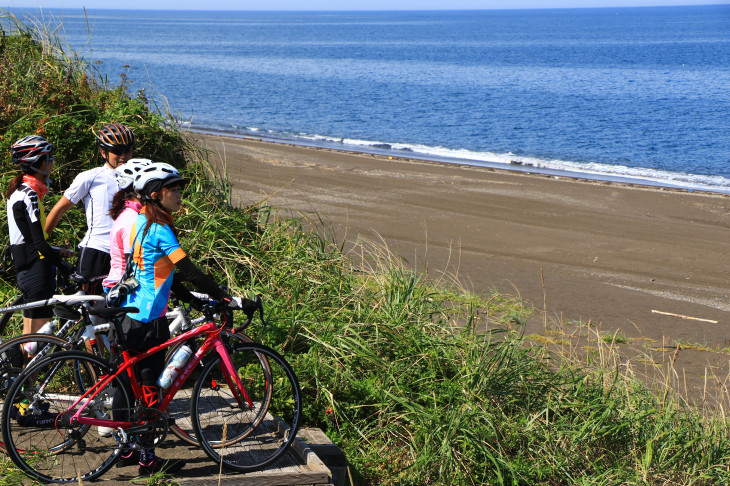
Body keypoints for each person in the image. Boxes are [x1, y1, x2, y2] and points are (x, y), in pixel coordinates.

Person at [114, 162, 255, 474]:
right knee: (151, 388)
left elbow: (166, 275)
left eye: (179, 188)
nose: (179, 193)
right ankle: (147, 460)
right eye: (173, 188)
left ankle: (124, 450)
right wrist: (224, 297)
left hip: (130, 313)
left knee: (129, 385)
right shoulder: (161, 230)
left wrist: (193, 300)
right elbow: (188, 270)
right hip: (149, 318)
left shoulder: (140, 221)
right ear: (155, 194)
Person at [45, 123, 135, 294]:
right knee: (87, 309)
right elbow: (60, 208)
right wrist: (41, 245)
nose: (123, 155)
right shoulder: (91, 177)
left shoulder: (138, 179)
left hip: (126, 253)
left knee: (120, 310)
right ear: (103, 152)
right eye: (117, 150)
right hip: (97, 251)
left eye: (128, 150)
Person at [5, 136, 74, 335]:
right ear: (39, 162)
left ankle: (18, 365)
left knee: (30, 341)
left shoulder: (16, 191)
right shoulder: (30, 194)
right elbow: (38, 243)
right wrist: (65, 267)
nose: (52, 163)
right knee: (40, 342)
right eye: (49, 158)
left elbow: (26, 239)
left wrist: (58, 251)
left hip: (24, 271)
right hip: (37, 272)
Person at [102, 158, 152, 293]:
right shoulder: (132, 220)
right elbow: (132, 267)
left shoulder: (130, 213)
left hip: (122, 285)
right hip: (124, 288)